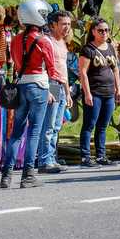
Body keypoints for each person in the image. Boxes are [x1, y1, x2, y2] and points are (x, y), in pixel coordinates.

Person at [0, 0, 60, 188]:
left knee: (16, 133)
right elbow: (52, 70)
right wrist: (54, 91)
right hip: (39, 87)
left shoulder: (16, 39)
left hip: (22, 86)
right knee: (34, 132)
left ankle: (6, 175)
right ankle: (28, 176)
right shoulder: (44, 41)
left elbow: (17, 65)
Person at [78, 18, 120, 167]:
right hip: (94, 92)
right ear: (93, 32)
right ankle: (85, 157)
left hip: (109, 93)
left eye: (106, 30)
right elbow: (82, 73)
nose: (104, 33)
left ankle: (101, 156)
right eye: (101, 30)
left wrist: (118, 89)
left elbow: (115, 69)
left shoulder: (110, 47)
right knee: (89, 124)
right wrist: (87, 93)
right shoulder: (88, 49)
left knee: (103, 126)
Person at [37, 10, 73, 173]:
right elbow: (43, 67)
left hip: (61, 84)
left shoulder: (62, 43)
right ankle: (45, 161)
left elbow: (63, 69)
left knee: (57, 125)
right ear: (53, 25)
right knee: (48, 125)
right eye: (64, 24)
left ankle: (51, 158)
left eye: (69, 24)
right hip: (51, 84)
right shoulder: (47, 41)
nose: (67, 27)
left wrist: (67, 92)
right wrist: (48, 90)